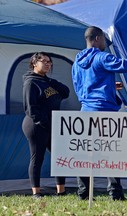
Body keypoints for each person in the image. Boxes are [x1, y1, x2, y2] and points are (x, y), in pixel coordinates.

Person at [72, 26, 127, 201]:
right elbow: (126, 65)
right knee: (110, 153)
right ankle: (115, 193)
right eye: (104, 39)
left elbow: (80, 85)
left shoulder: (77, 61)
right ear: (97, 39)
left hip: (85, 111)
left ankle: (83, 193)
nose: (105, 42)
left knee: (85, 153)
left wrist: (109, 88)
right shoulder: (102, 57)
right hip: (104, 112)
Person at [22, 52, 70, 199]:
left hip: (52, 124)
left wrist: (51, 81)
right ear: (34, 63)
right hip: (36, 125)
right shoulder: (31, 82)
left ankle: (60, 191)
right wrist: (45, 123)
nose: (48, 64)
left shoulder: (48, 81)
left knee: (59, 156)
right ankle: (36, 193)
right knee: (38, 158)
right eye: (44, 61)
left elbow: (66, 92)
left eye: (50, 62)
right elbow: (31, 109)